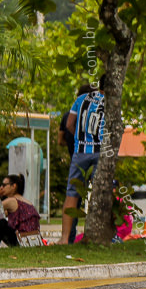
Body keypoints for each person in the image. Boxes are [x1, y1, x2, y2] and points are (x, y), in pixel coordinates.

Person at [59, 76, 106, 244]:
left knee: (72, 194)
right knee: (100, 192)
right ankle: (97, 235)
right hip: (101, 151)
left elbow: (69, 124)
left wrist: (80, 139)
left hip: (80, 152)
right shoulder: (110, 102)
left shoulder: (80, 99)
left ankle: (64, 238)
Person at [0, 174, 40, 247]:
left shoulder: (12, 201)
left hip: (22, 241)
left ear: (14, 186)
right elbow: (2, 214)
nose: (1, 188)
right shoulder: (25, 202)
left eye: (4, 185)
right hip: (33, 241)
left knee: (1, 223)